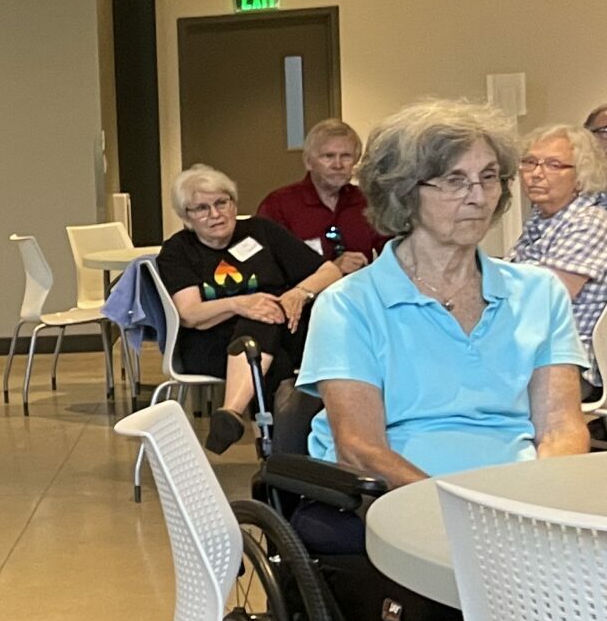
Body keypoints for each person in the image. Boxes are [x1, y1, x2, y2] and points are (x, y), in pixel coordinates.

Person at [297, 99, 588, 550]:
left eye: (489, 177)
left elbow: (561, 429)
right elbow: (361, 448)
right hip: (400, 501)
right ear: (404, 192)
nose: (479, 196)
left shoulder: (538, 293)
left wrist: (538, 508)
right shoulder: (350, 303)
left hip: (519, 505)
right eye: (455, 180)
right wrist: (460, 514)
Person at [153, 164, 341, 453]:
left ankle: (231, 413)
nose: (215, 214)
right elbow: (190, 315)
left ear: (234, 203)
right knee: (270, 349)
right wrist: (240, 304)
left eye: (221, 202)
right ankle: (279, 457)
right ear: (186, 216)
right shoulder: (179, 250)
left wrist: (298, 293)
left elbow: (330, 271)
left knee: (266, 317)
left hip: (284, 329)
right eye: (201, 208)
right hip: (213, 343)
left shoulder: (261, 231)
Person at [508, 123, 607, 376]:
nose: (536, 174)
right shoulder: (541, 218)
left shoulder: (590, 221)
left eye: (553, 165)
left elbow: (546, 295)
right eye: (530, 162)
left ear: (581, 176)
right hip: (529, 347)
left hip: (564, 361)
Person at [254, 119, 385, 265]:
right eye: (328, 156)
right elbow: (265, 265)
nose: (338, 165)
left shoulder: (367, 201)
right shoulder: (278, 206)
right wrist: (332, 270)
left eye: (346, 156)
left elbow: (393, 253)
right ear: (308, 162)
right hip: (305, 281)